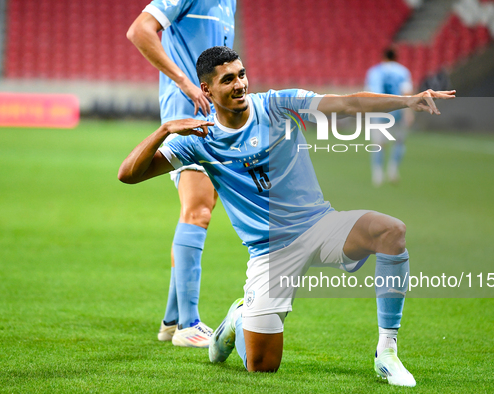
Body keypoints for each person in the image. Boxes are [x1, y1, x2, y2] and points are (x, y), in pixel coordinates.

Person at [118, 46, 455, 386]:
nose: (239, 85)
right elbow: (128, 174)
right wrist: (165, 131)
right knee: (262, 366)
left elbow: (349, 103)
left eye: (241, 74)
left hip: (320, 225)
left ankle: (387, 353)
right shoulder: (199, 139)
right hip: (270, 253)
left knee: (390, 231)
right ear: (206, 90)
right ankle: (238, 316)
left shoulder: (276, 104)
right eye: (227, 80)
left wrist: (408, 101)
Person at [126, 0, 236, 347]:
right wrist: (186, 84)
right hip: (186, 118)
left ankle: (172, 321)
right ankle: (189, 324)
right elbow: (139, 30)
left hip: (214, 121)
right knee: (198, 208)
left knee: (202, 209)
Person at [364, 48, 414, 186]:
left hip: (379, 111)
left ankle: (377, 174)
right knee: (399, 141)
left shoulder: (374, 71)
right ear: (396, 57)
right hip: (397, 110)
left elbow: (369, 93)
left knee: (379, 144)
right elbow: (407, 92)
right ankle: (393, 169)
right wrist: (409, 112)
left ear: (383, 57)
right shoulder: (403, 71)